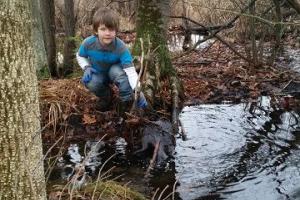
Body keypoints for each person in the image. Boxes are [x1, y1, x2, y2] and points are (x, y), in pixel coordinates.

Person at [76, 8, 147, 115]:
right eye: (103, 29)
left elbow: (131, 72)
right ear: (96, 30)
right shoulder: (88, 43)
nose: (107, 33)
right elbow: (80, 56)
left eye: (111, 29)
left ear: (116, 30)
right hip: (98, 74)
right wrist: (86, 67)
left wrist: (138, 91)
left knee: (116, 71)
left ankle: (126, 100)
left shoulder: (121, 47)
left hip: (115, 74)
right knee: (90, 81)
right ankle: (106, 96)